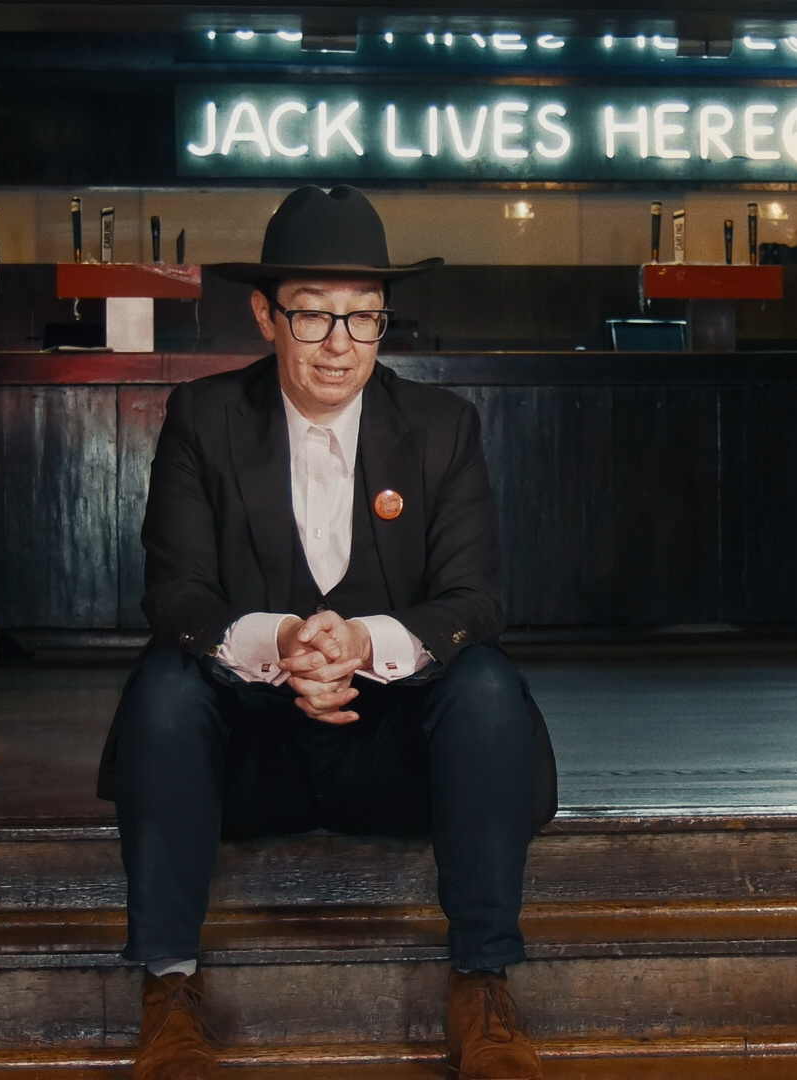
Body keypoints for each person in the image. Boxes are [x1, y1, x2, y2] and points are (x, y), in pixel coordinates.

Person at [95, 184, 557, 1080]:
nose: (340, 344)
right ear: (266, 315)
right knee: (164, 684)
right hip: (248, 761)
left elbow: (474, 600)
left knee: (487, 682)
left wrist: (364, 644)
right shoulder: (204, 419)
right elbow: (175, 595)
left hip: (395, 759)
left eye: (364, 316)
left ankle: (482, 989)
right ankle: (170, 992)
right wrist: (279, 643)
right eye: (312, 316)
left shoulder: (442, 428)